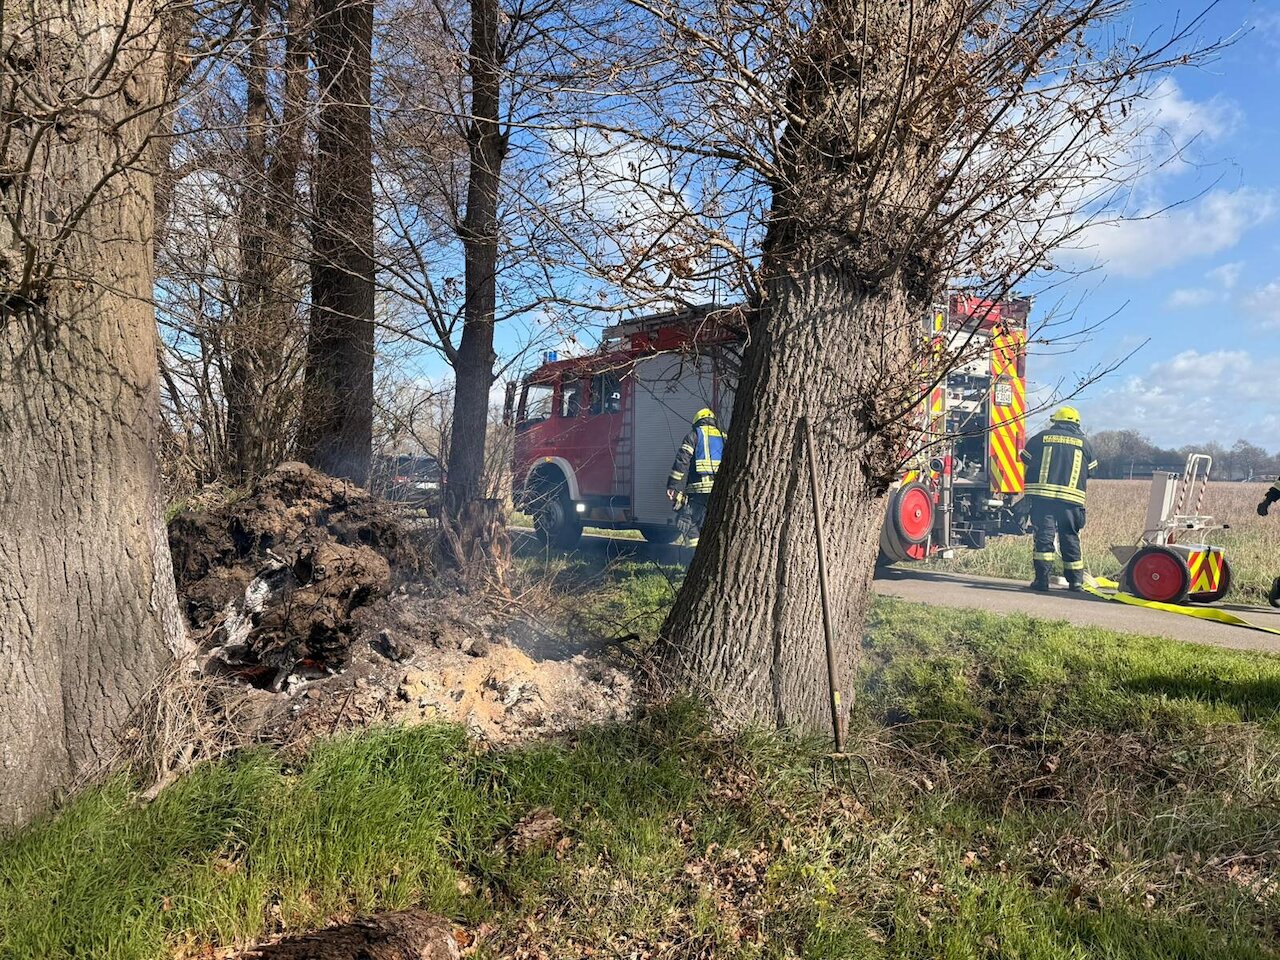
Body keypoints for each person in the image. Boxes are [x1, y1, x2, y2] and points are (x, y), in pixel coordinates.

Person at [1019, 406, 1098, 592]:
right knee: (1070, 537)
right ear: (1076, 424)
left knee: (1044, 537)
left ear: (1055, 422)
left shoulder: (1041, 438)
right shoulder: (1085, 444)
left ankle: (1042, 581)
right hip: (1071, 501)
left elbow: (1025, 458)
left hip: (1043, 499)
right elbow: (1093, 470)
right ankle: (1076, 582)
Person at [666, 408, 725, 543]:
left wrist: (672, 485)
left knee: (687, 522)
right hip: (719, 491)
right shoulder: (724, 436)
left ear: (697, 422)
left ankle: (691, 557)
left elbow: (682, 461)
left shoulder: (694, 435)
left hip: (698, 492)